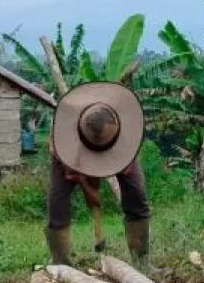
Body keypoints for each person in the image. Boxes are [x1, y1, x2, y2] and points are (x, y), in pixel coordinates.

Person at [46, 82, 151, 266]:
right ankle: (61, 264)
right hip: (72, 157)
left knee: (137, 195)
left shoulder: (125, 132)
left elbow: (125, 170)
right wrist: (90, 191)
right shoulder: (64, 142)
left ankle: (142, 262)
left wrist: (95, 190)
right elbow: (75, 176)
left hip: (116, 143)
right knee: (57, 203)